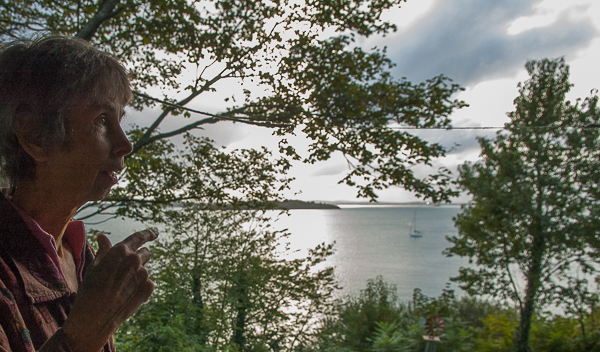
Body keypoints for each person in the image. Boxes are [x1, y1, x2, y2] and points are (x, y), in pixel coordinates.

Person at [0, 36, 158, 351]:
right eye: (101, 120)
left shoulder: (79, 256)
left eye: (120, 120)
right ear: (35, 136)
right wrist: (81, 338)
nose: (125, 144)